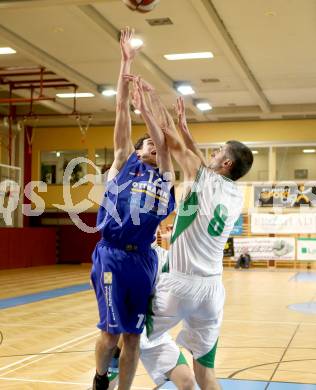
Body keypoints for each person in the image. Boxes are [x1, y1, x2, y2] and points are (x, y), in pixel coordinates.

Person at [125, 81, 253, 390]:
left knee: (136, 339)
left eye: (219, 150)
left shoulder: (204, 177)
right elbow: (199, 158)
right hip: (212, 291)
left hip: (179, 285)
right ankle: (191, 385)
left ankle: (117, 380)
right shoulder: (235, 194)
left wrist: (150, 100)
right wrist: (187, 128)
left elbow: (170, 139)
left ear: (226, 163)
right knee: (206, 373)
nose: (211, 152)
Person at [91, 27, 175, 390]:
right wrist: (126, 62)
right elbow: (119, 110)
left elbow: (165, 144)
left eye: (155, 143)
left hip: (143, 259)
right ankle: (99, 378)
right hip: (111, 255)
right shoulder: (123, 162)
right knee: (110, 335)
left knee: (134, 338)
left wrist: (151, 112)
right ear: (138, 150)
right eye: (147, 143)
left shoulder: (166, 177)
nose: (152, 146)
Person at [107, 233, 196, 390]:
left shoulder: (166, 257)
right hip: (125, 338)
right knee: (104, 386)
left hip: (155, 337)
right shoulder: (120, 256)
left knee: (187, 382)